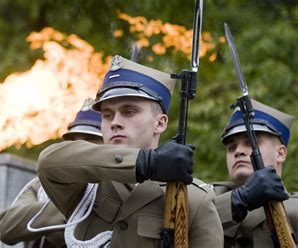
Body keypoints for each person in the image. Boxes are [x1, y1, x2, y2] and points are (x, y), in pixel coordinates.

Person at [37, 55, 223, 247]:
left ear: (160, 123)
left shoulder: (195, 199)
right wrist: (145, 163)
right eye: (107, 115)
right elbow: (48, 163)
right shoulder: (86, 185)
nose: (115, 122)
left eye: (129, 112)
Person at [0, 98, 103, 247]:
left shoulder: (117, 186)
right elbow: (7, 227)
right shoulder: (41, 185)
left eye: (90, 139)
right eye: (73, 141)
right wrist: (75, 206)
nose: (78, 147)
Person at [213, 99, 298, 247]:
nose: (238, 151)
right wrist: (236, 202)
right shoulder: (208, 199)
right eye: (231, 148)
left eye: (250, 143)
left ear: (281, 153)